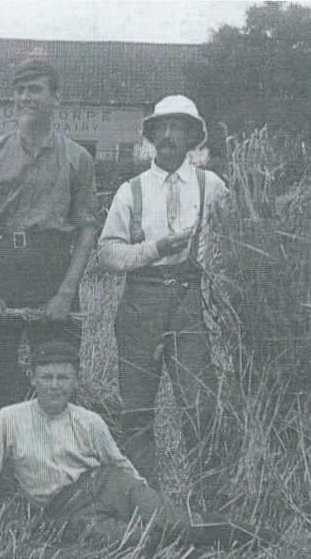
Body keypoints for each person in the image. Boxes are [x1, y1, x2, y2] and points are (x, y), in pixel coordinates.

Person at [0, 341, 273, 555]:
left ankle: (250, 533)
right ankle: (202, 546)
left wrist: (147, 499)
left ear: (76, 381)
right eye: (46, 377)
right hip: (63, 510)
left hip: (107, 483)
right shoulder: (9, 419)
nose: (54, 385)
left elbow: (120, 465)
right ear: (32, 379)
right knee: (139, 542)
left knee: (170, 520)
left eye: (63, 378)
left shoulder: (89, 421)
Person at [96, 94, 232, 505]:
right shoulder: (130, 191)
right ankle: (148, 507)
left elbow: (230, 249)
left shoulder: (214, 187)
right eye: (163, 128)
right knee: (136, 412)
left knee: (200, 408)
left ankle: (207, 503)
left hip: (194, 303)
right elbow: (107, 253)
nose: (170, 135)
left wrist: (213, 288)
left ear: (194, 136)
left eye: (179, 127)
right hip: (142, 301)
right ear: (152, 136)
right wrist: (154, 249)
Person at [0, 59, 99, 453]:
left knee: (58, 373)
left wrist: (64, 292)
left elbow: (87, 228)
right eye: (19, 89)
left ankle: (59, 464)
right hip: (3, 266)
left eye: (35, 89)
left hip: (53, 269)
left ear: (56, 97)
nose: (25, 97)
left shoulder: (77, 159)